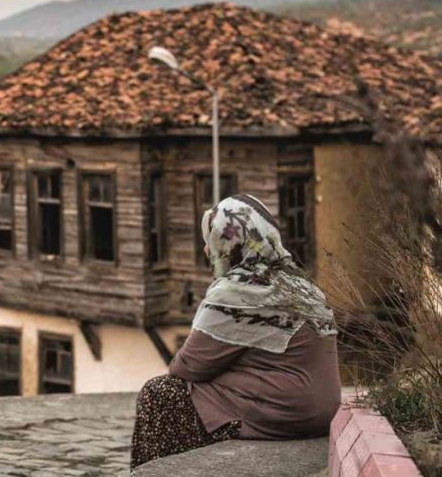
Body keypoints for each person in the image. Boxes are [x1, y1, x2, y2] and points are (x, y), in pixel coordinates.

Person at [130, 194, 341, 469]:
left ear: (229, 242)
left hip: (287, 414)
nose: (207, 250)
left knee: (160, 394)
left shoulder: (238, 291)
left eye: (211, 240)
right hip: (322, 411)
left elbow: (185, 368)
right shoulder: (301, 284)